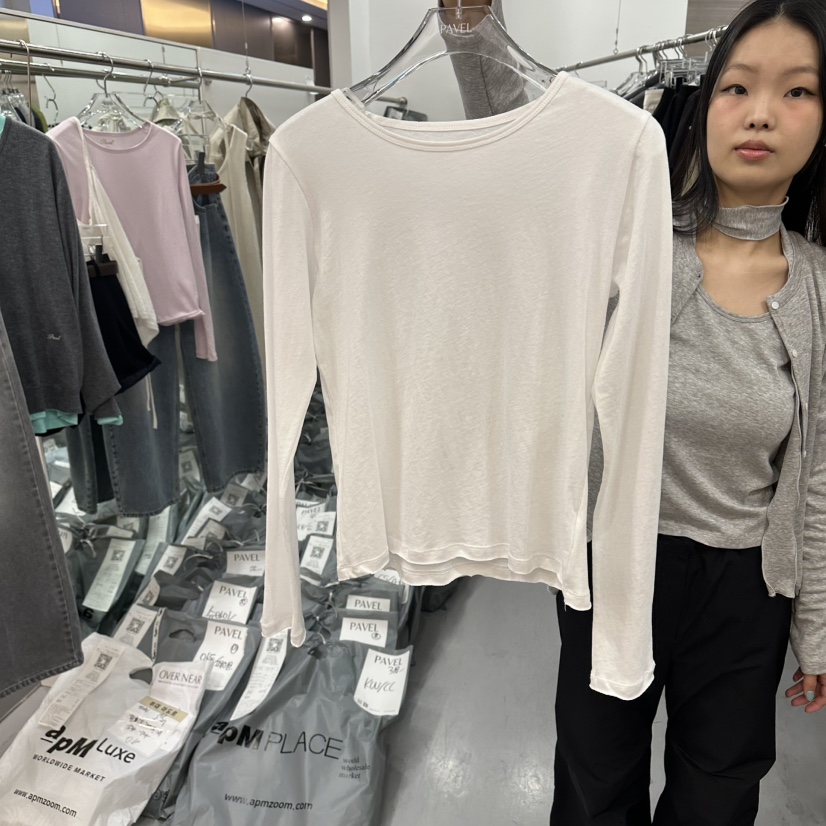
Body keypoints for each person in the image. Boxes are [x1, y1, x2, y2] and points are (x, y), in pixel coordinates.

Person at [441, 0, 826, 822]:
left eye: (797, 91)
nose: (761, 112)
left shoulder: (820, 289)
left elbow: (819, 480)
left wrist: (815, 631)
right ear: (705, 104)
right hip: (614, 563)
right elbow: (528, 162)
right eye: (737, 86)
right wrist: (471, 30)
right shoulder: (634, 243)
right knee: (594, 785)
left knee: (718, 797)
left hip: (746, 590)